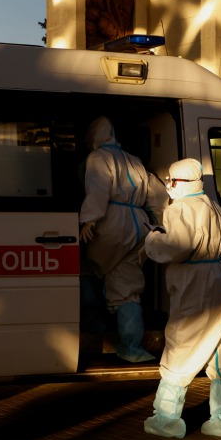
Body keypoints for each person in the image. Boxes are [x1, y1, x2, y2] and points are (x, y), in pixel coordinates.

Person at [141, 158, 221, 438]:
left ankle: (166, 419)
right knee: (218, 340)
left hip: (194, 282)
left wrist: (152, 240)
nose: (168, 187)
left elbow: (178, 247)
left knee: (181, 341)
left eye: (170, 182)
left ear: (177, 183)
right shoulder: (210, 204)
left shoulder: (180, 209)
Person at [79, 116, 160, 363]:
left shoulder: (98, 158)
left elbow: (98, 190)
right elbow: (155, 192)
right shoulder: (134, 160)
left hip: (110, 223)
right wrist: (158, 223)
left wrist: (89, 220)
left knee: (86, 269)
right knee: (128, 287)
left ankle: (94, 326)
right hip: (138, 225)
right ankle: (132, 346)